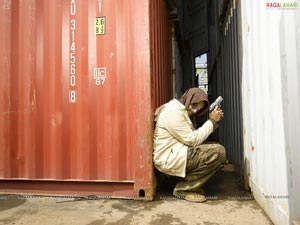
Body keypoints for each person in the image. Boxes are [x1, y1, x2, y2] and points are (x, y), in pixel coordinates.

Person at [153, 87, 226, 202]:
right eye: (195, 105)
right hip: (169, 159)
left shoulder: (180, 110)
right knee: (218, 152)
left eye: (199, 109)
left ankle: (185, 183)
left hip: (175, 154)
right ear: (189, 98)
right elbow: (192, 140)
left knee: (211, 148)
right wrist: (212, 121)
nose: (196, 110)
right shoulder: (173, 112)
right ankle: (184, 189)